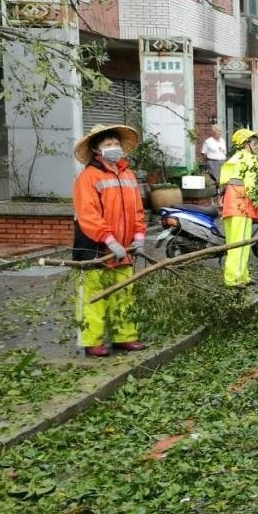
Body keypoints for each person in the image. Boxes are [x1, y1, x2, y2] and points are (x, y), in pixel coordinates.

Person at [71, 124, 147, 357]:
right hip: (93, 248)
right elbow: (88, 214)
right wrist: (108, 239)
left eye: (115, 143)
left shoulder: (127, 174)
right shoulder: (88, 177)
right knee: (93, 296)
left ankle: (124, 336)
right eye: (107, 144)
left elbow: (137, 209)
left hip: (124, 249)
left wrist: (139, 234)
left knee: (124, 293)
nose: (113, 147)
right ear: (96, 149)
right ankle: (92, 341)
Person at [218, 128, 258, 288]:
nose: (257, 146)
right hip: (241, 205)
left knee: (237, 242)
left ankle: (242, 276)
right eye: (254, 143)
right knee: (240, 243)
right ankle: (232, 279)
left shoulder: (236, 158)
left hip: (234, 204)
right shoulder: (248, 159)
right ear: (245, 144)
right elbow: (251, 186)